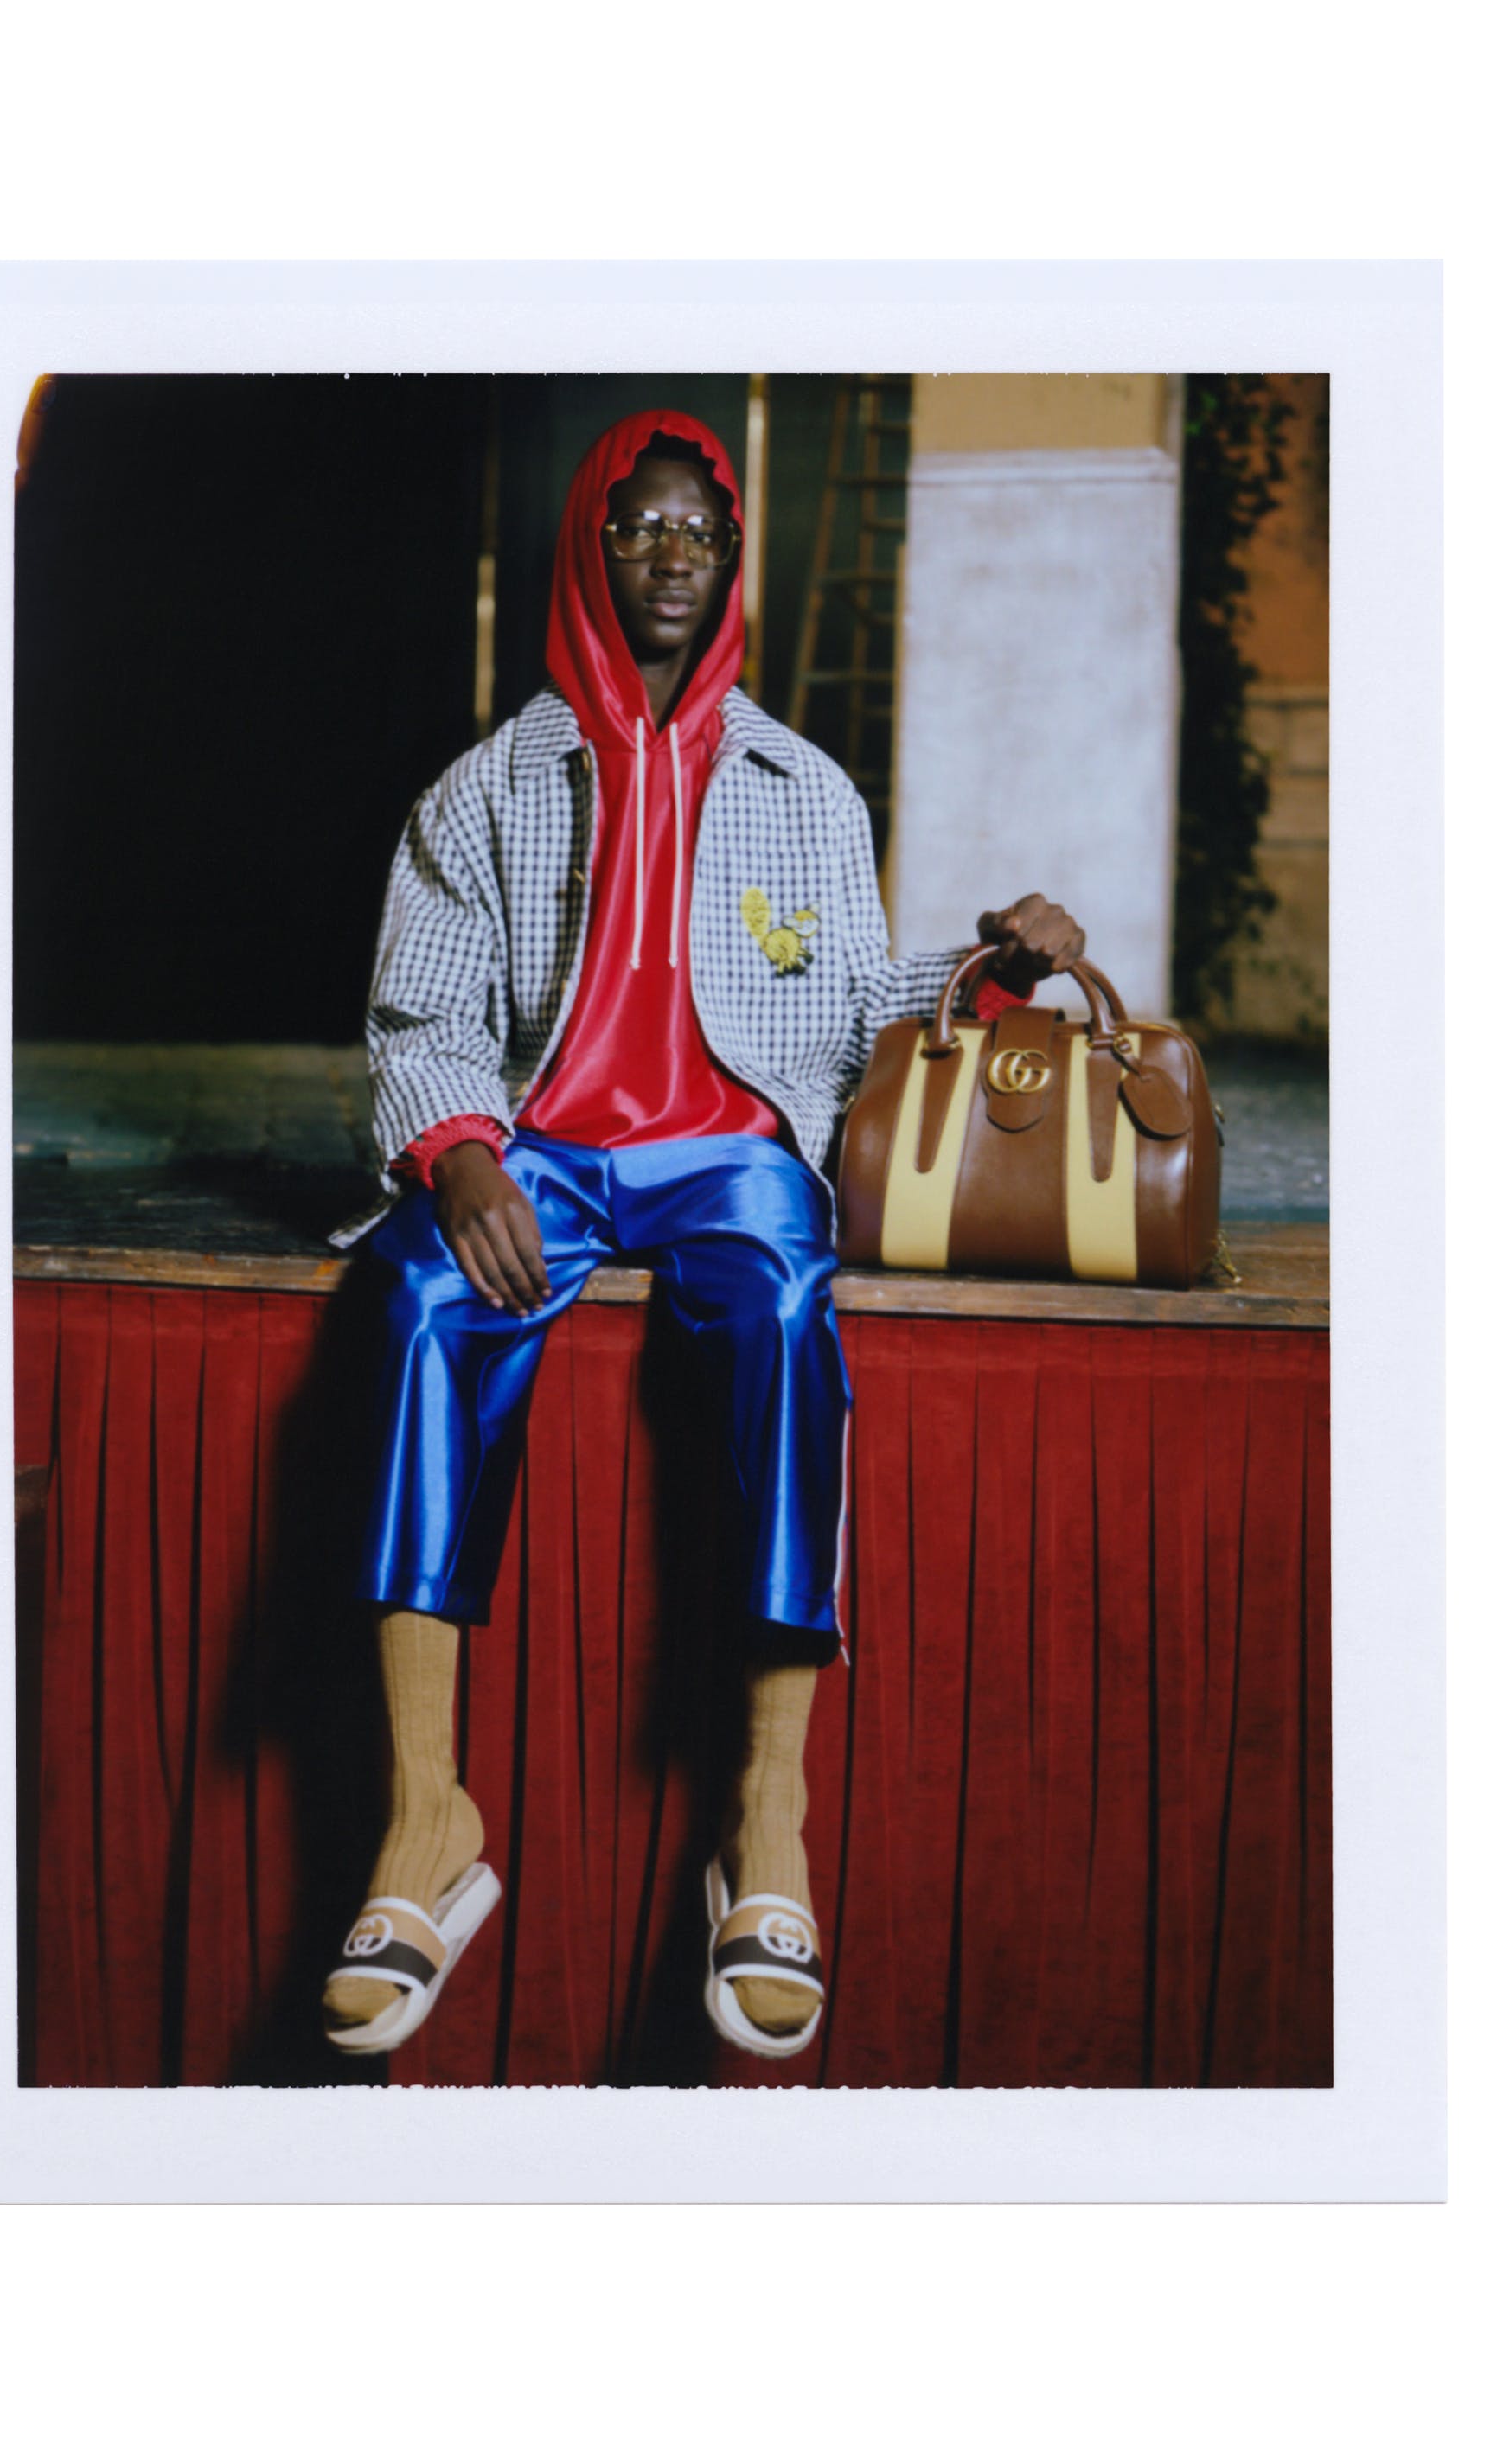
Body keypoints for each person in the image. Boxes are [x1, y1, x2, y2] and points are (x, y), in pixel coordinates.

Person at [321, 407, 1084, 2062]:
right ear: (590, 550)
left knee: (789, 1307)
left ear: (730, 561)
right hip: (546, 1149)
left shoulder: (804, 789)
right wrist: (459, 1154)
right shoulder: (493, 784)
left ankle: (767, 1817)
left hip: (728, 1151)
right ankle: (427, 1818)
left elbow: (852, 1009)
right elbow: (420, 1009)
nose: (673, 554)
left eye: (701, 532)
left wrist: (990, 967)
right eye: (641, 527)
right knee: (416, 1297)